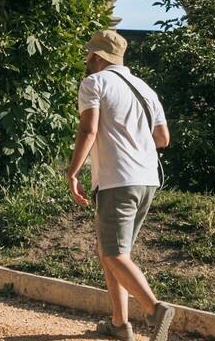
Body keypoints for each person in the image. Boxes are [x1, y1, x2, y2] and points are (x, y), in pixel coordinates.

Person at [65, 30, 178, 341]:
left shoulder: (94, 83)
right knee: (111, 252)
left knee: (114, 254)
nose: (87, 60)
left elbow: (88, 129)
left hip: (118, 179)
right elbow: (162, 139)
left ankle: (155, 310)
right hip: (147, 180)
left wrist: (73, 172)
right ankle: (119, 324)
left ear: (98, 57)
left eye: (89, 55)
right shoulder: (145, 88)